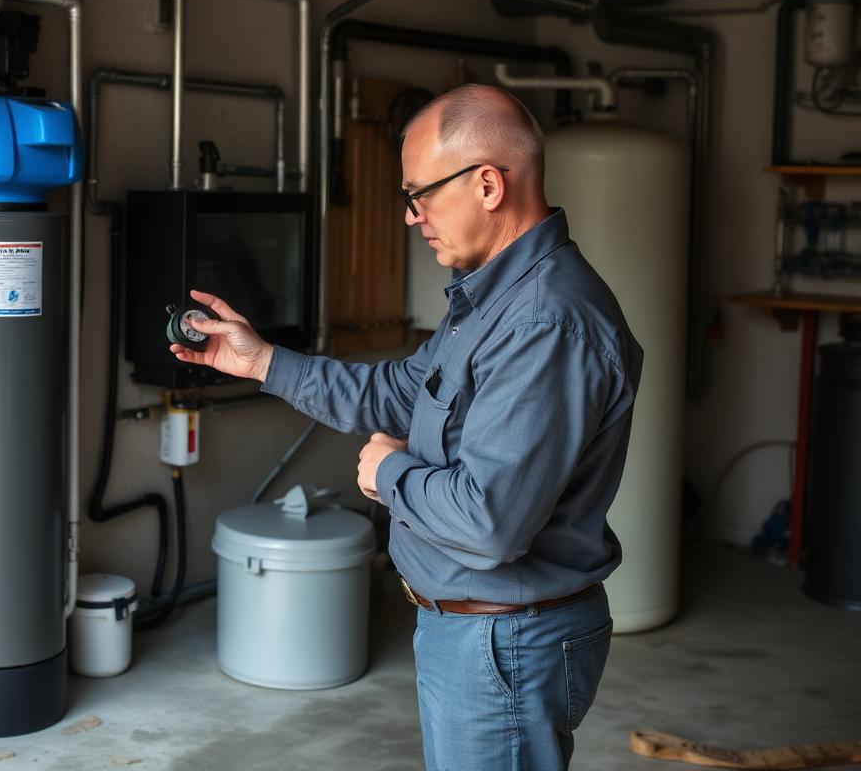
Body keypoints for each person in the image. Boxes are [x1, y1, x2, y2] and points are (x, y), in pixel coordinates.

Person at [170, 84, 643, 771]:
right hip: (472, 630)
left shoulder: (546, 323)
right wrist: (263, 361)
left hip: (504, 640)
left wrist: (388, 475)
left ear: (487, 184)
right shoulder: (492, 298)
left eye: (420, 193)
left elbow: (492, 523)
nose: (410, 216)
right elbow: (398, 391)